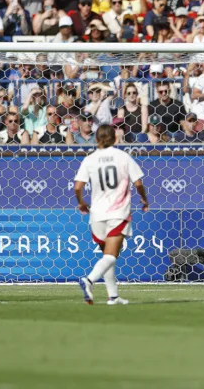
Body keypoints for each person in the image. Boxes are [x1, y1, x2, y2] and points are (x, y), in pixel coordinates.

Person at [74, 125, 149, 305]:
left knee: (107, 256)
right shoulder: (123, 157)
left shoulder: (90, 160)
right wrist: (144, 199)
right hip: (117, 212)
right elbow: (138, 183)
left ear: (96, 139)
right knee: (111, 256)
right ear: (115, 138)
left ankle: (113, 296)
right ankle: (89, 280)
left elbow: (78, 186)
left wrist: (82, 203)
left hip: (97, 214)